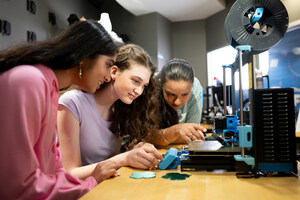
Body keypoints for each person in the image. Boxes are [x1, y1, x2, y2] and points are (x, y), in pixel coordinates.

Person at [0, 20, 121, 199]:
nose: (109, 75)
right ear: (85, 57)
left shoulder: (49, 88)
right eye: (107, 64)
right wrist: (91, 183)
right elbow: (17, 184)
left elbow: (55, 168)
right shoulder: (29, 81)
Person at [57, 44, 163, 181]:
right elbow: (69, 173)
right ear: (114, 72)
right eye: (135, 81)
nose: (139, 91)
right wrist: (124, 158)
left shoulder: (121, 110)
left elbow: (109, 164)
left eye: (144, 86)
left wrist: (134, 154)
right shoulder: (72, 102)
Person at [151, 58, 207, 145]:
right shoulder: (150, 86)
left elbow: (191, 136)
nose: (177, 102)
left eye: (185, 94)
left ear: (191, 87)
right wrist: (176, 131)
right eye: (170, 94)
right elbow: (144, 136)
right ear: (161, 84)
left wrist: (162, 135)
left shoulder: (196, 87)